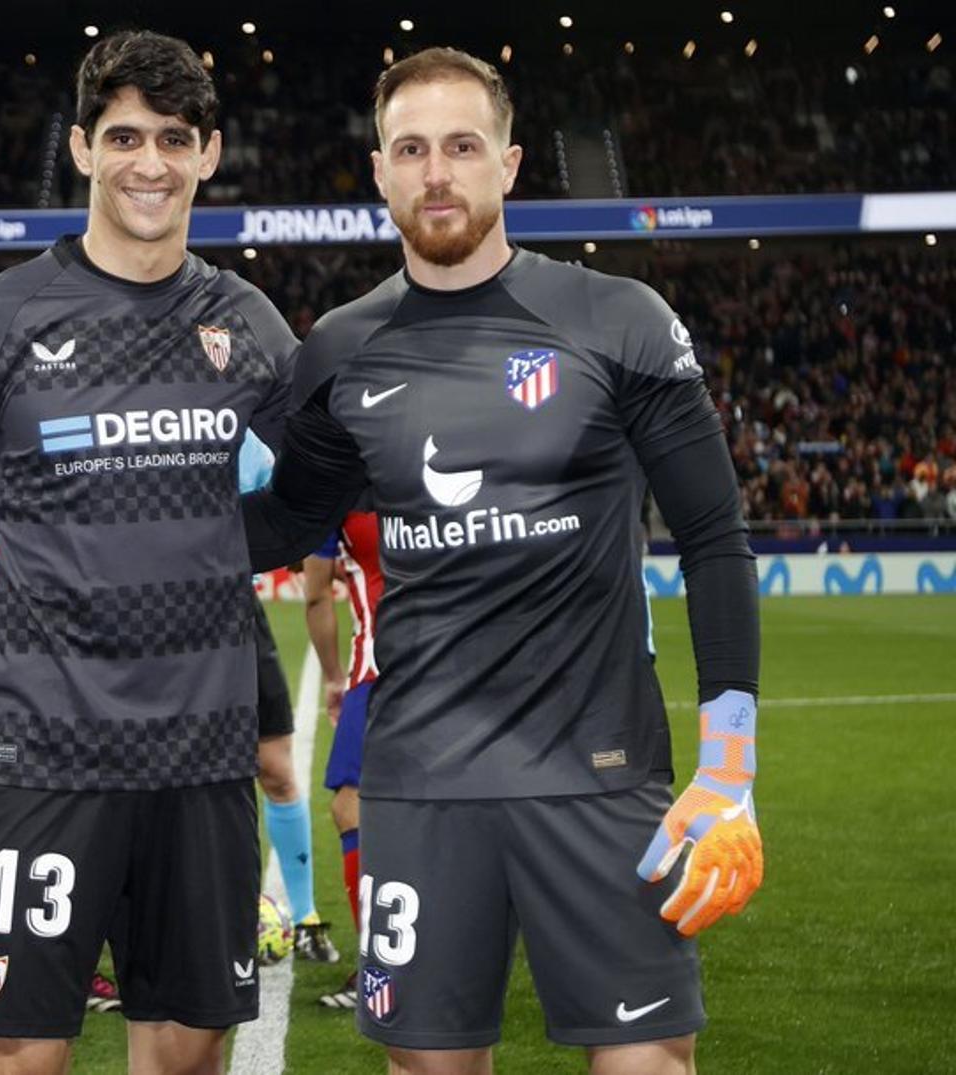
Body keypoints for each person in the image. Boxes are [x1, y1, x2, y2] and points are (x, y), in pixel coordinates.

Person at [242, 47, 762, 1075]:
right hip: (421, 782)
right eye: (412, 149)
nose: (437, 172)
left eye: (462, 146)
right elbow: (270, 527)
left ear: (510, 163)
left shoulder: (618, 321)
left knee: (648, 1064)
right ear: (382, 173)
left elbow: (713, 537)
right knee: (428, 1067)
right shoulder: (342, 349)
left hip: (601, 779)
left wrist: (730, 767)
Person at [0, 30, 296, 1075]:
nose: (150, 162)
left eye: (174, 138)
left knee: (186, 1052)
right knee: (19, 1055)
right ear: (85, 149)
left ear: (209, 153)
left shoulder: (253, 328)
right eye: (125, 136)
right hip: (38, 753)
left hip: (202, 760)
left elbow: (317, 508)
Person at [239, 431, 339, 964]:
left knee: (276, 767)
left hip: (236, 615)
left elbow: (283, 513)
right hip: (157, 619)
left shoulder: (247, 439)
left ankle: (302, 916)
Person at [302, 510, 382, 1008]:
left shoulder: (341, 483)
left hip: (381, 668)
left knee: (352, 808)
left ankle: (381, 964)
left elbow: (314, 595)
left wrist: (334, 677)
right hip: (464, 663)